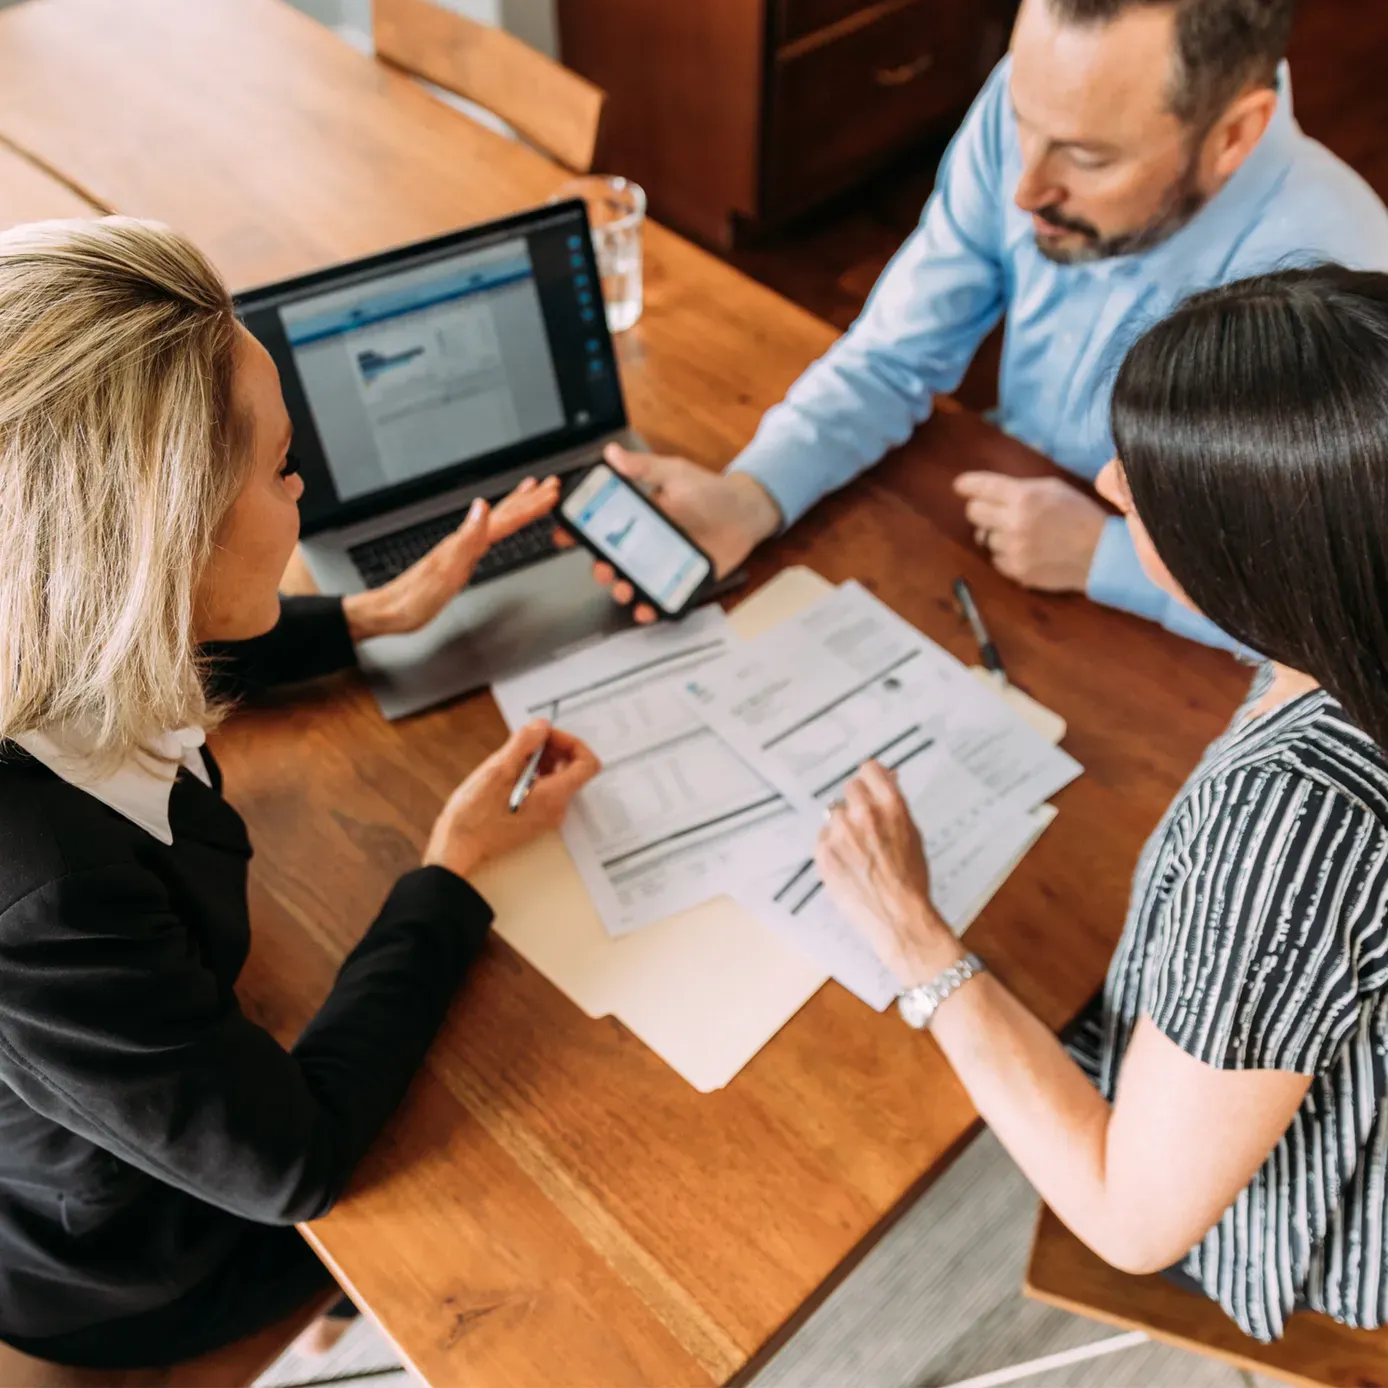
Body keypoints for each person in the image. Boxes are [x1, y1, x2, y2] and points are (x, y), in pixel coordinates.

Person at [0, 217, 600, 1369]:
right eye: (279, 466)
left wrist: (371, 613)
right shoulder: (46, 899)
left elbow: (150, 640)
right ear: (156, 546)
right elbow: (294, 1165)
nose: (302, 485)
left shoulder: (48, 614)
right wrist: (446, 871)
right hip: (139, 1255)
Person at [813, 264, 1388, 1342]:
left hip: (1318, 1227)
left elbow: (1131, 1217)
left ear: (1263, 561)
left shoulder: (1294, 830)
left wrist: (911, 936)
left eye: (1151, 487)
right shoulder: (1348, 634)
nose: (1108, 483)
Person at [571, 0, 1388, 649]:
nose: (1025, 186)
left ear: (1234, 134)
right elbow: (894, 356)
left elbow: (1349, 612)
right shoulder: (1039, 106)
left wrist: (1107, 560)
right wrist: (751, 496)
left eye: (1087, 157)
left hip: (1183, 652)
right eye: (1021, 122)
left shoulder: (1347, 270)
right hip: (991, 541)